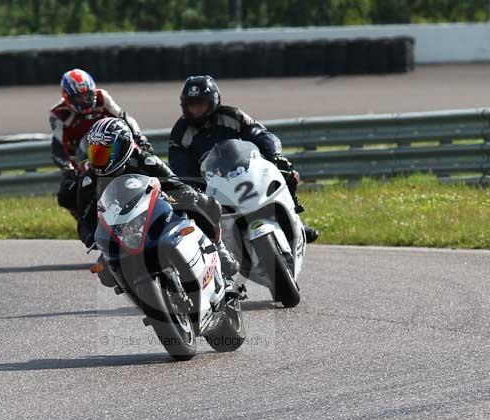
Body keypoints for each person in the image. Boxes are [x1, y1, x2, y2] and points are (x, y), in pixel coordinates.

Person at [78, 117, 239, 287]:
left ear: (124, 146)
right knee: (105, 275)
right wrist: (92, 237)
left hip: (156, 216)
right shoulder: (88, 180)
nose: (98, 156)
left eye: (105, 151)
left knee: (205, 203)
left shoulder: (144, 161)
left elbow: (175, 183)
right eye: (95, 151)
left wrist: (187, 194)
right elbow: (84, 221)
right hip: (121, 234)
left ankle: (219, 248)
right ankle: (147, 302)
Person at [168, 75, 319, 243]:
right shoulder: (180, 133)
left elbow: (261, 135)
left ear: (213, 101)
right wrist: (192, 187)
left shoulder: (232, 116)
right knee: (192, 209)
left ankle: (294, 222)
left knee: (287, 173)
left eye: (200, 104)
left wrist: (276, 156)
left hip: (244, 171)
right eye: (191, 105)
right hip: (210, 185)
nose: (195, 110)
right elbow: (179, 164)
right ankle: (218, 249)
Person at [50, 68, 151, 217]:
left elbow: (124, 117)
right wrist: (67, 168)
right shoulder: (58, 114)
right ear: (67, 97)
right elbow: (57, 146)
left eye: (87, 95)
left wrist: (140, 138)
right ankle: (84, 221)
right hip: (83, 157)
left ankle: (160, 199)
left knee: (147, 162)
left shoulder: (102, 97)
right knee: (66, 194)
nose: (85, 100)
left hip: (114, 148)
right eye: (79, 97)